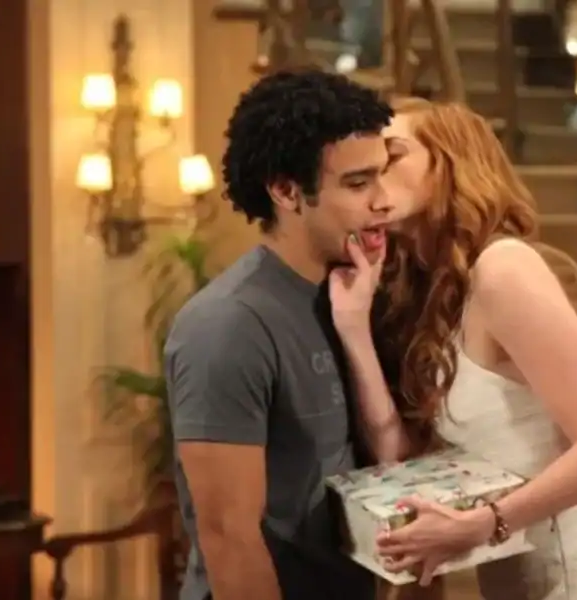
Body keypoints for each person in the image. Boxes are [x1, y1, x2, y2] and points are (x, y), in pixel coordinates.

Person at [329, 97, 577, 600]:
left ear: (450, 161)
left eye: (393, 155)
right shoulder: (434, 296)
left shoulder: (504, 268)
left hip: (576, 577)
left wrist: (484, 523)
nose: (376, 176)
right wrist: (354, 330)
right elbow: (401, 461)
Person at [163, 70, 395, 600]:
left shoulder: (348, 296)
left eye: (381, 177)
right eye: (358, 184)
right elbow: (229, 539)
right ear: (287, 191)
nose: (384, 201)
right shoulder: (228, 325)